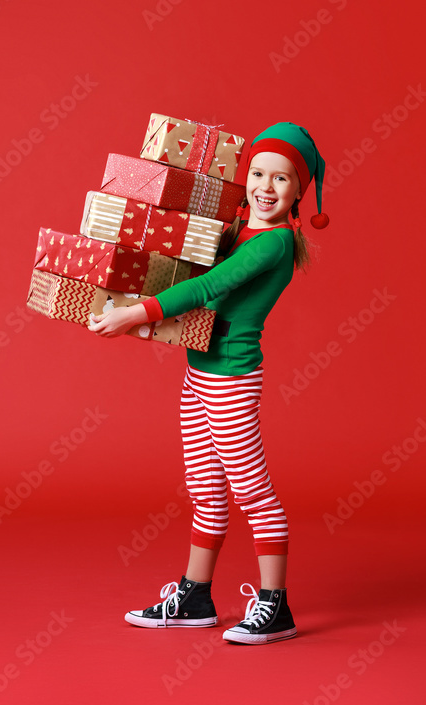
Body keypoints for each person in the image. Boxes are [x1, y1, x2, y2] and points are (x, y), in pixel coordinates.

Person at [88, 122, 328, 644]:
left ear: (298, 192)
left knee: (252, 492)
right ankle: (195, 596)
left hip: (231, 380)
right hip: (199, 372)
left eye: (282, 179)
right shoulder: (239, 229)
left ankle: (276, 605)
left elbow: (209, 284)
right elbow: (185, 251)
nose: (267, 187)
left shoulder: (275, 244)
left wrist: (136, 313)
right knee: (205, 490)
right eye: (259, 173)